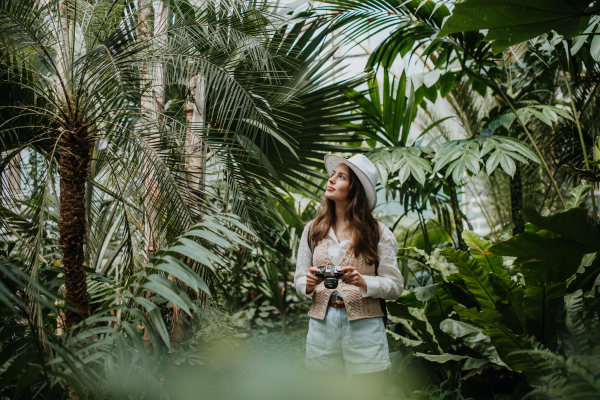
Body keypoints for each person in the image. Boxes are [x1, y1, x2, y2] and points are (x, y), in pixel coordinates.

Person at [294, 153, 404, 393]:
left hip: (365, 326)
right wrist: (309, 283)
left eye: (341, 176)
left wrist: (363, 281)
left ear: (355, 190)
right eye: (332, 174)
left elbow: (395, 286)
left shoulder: (378, 233)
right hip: (322, 326)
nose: (331, 179)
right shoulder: (313, 230)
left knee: (369, 393)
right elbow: (299, 279)